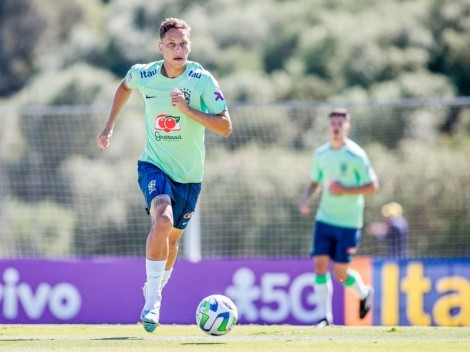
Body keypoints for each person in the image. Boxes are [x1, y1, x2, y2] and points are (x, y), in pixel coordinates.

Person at [96, 17, 232, 333]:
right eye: (171, 44)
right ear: (161, 48)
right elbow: (125, 85)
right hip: (154, 166)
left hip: (190, 176)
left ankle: (154, 290)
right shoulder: (145, 74)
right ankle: (153, 302)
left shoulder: (201, 80)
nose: (178, 49)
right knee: (162, 220)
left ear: (190, 45)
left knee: (172, 241)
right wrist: (109, 125)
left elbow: (225, 126)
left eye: (183, 43)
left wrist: (187, 110)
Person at [299, 108, 378, 326]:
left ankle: (363, 293)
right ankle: (325, 318)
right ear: (328, 126)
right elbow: (315, 181)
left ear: (347, 127)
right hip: (325, 218)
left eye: (340, 123)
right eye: (333, 122)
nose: (336, 126)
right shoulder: (321, 154)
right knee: (320, 265)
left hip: (349, 222)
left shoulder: (356, 155)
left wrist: (346, 190)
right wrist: (305, 199)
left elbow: (372, 185)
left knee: (341, 272)